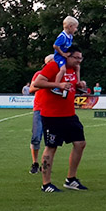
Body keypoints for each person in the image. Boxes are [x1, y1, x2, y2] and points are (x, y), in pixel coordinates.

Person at [32, 46, 89, 192]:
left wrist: (79, 87)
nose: (79, 61)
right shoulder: (54, 66)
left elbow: (70, 88)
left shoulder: (72, 69)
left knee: (80, 143)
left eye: (80, 58)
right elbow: (37, 83)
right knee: (51, 147)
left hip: (69, 114)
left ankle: (71, 179)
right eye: (76, 58)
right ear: (67, 56)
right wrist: (58, 84)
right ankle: (46, 184)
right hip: (52, 115)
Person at [50, 16, 78, 98]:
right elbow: (55, 46)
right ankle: (56, 86)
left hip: (66, 55)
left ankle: (78, 83)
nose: (76, 30)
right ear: (70, 27)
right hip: (59, 56)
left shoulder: (70, 36)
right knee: (63, 70)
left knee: (77, 66)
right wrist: (62, 54)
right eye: (75, 27)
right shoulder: (62, 36)